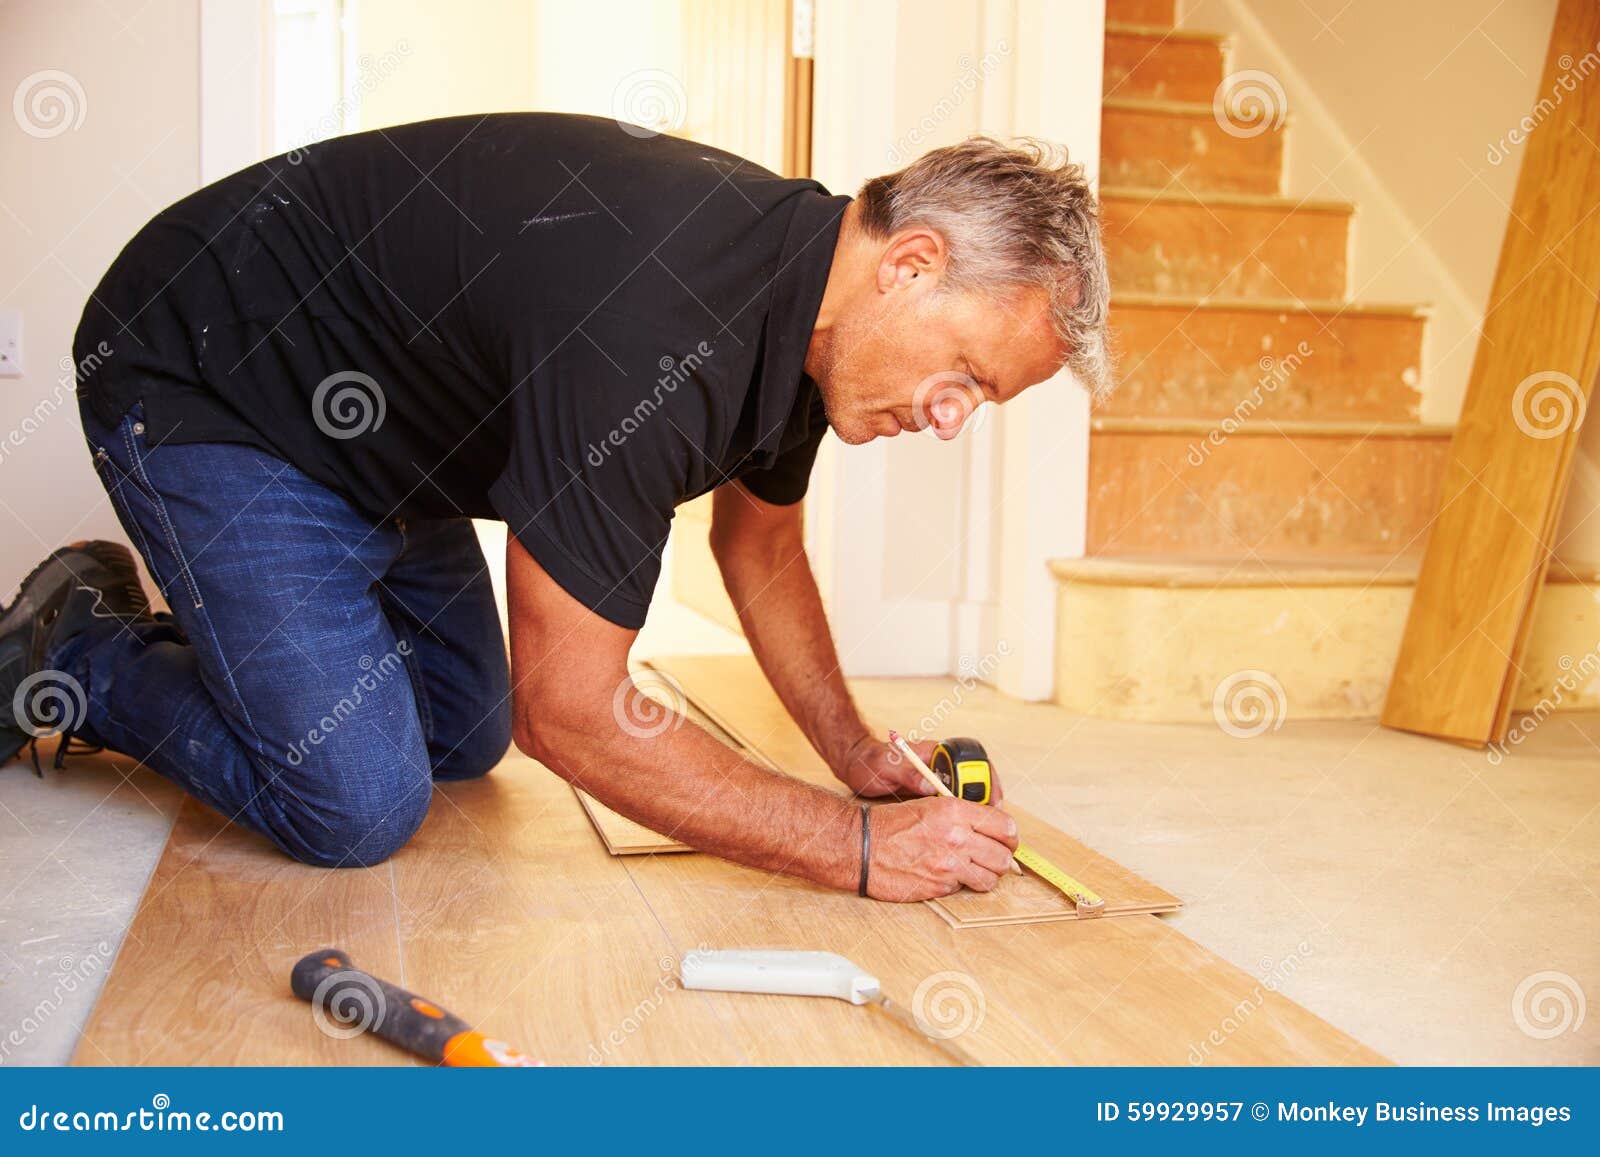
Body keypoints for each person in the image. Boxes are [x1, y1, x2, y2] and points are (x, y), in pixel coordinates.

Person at [0, 113, 1110, 901]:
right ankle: (79, 654)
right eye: (966, 372)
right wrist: (851, 847)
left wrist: (853, 751)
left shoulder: (815, 327)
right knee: (355, 807)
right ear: (909, 265)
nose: (955, 416)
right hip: (214, 373)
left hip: (391, 439)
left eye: (986, 399)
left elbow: (758, 541)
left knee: (462, 735)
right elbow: (573, 714)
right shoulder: (655, 321)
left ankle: (257, 637)